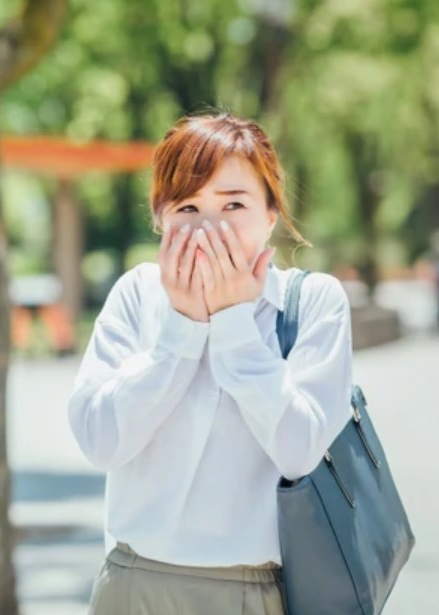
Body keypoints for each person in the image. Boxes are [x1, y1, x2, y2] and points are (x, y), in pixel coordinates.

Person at [68, 114, 353, 614]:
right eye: (188, 206)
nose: (210, 227)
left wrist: (233, 324)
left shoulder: (311, 303)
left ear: (270, 214)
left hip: (254, 589)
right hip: (133, 582)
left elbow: (300, 452)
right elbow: (100, 441)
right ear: (161, 218)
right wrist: (180, 332)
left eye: (234, 204)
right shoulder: (137, 294)